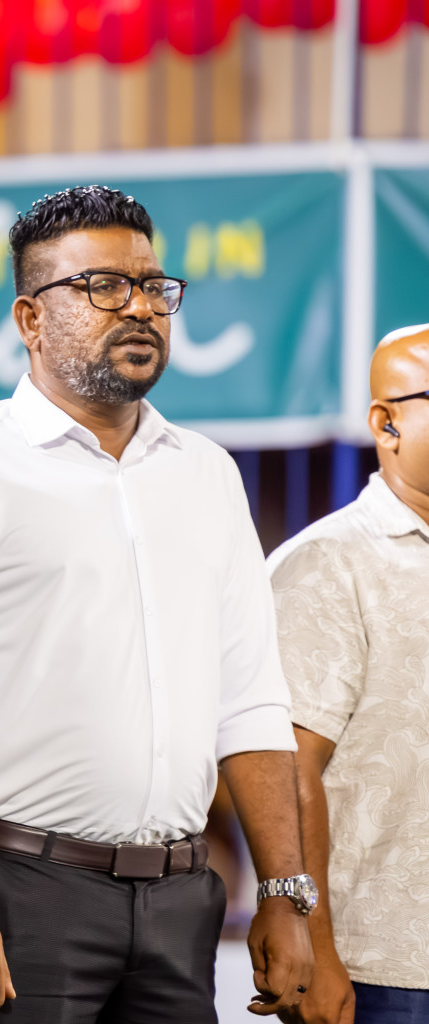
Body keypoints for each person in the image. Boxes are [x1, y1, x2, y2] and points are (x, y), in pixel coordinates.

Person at [0, 185, 316, 1024]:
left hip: (184, 899)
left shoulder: (205, 473)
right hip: (21, 897)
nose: (141, 309)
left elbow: (253, 703)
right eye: (103, 287)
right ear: (29, 319)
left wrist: (284, 892)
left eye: (155, 287)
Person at [271, 324, 429, 1024]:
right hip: (383, 969)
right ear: (385, 422)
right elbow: (287, 769)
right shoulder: (329, 564)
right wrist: (314, 946)